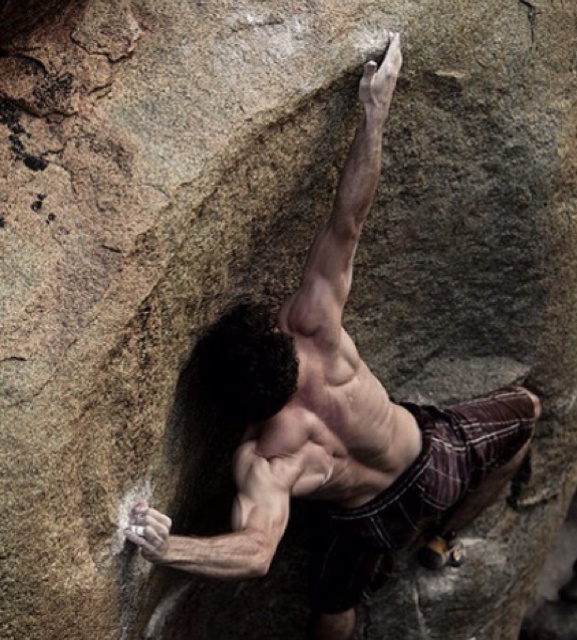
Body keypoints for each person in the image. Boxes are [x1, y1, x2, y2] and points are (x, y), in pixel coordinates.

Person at [125, 33, 541, 640]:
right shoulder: (314, 329)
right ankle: (444, 535)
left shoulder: (267, 459)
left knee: (332, 608)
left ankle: (415, 547)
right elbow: (349, 217)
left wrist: (168, 549)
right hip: (432, 464)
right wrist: (377, 107)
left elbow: (255, 552)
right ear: (277, 332)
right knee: (527, 414)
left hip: (364, 522)